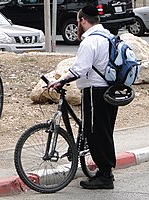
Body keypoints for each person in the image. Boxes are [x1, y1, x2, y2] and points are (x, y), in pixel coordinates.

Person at [49, 5, 118, 189]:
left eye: (79, 20)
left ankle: (105, 176)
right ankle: (105, 171)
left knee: (94, 132)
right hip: (111, 90)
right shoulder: (108, 36)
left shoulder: (90, 41)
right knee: (105, 131)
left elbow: (80, 68)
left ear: (82, 20)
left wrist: (61, 81)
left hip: (95, 91)